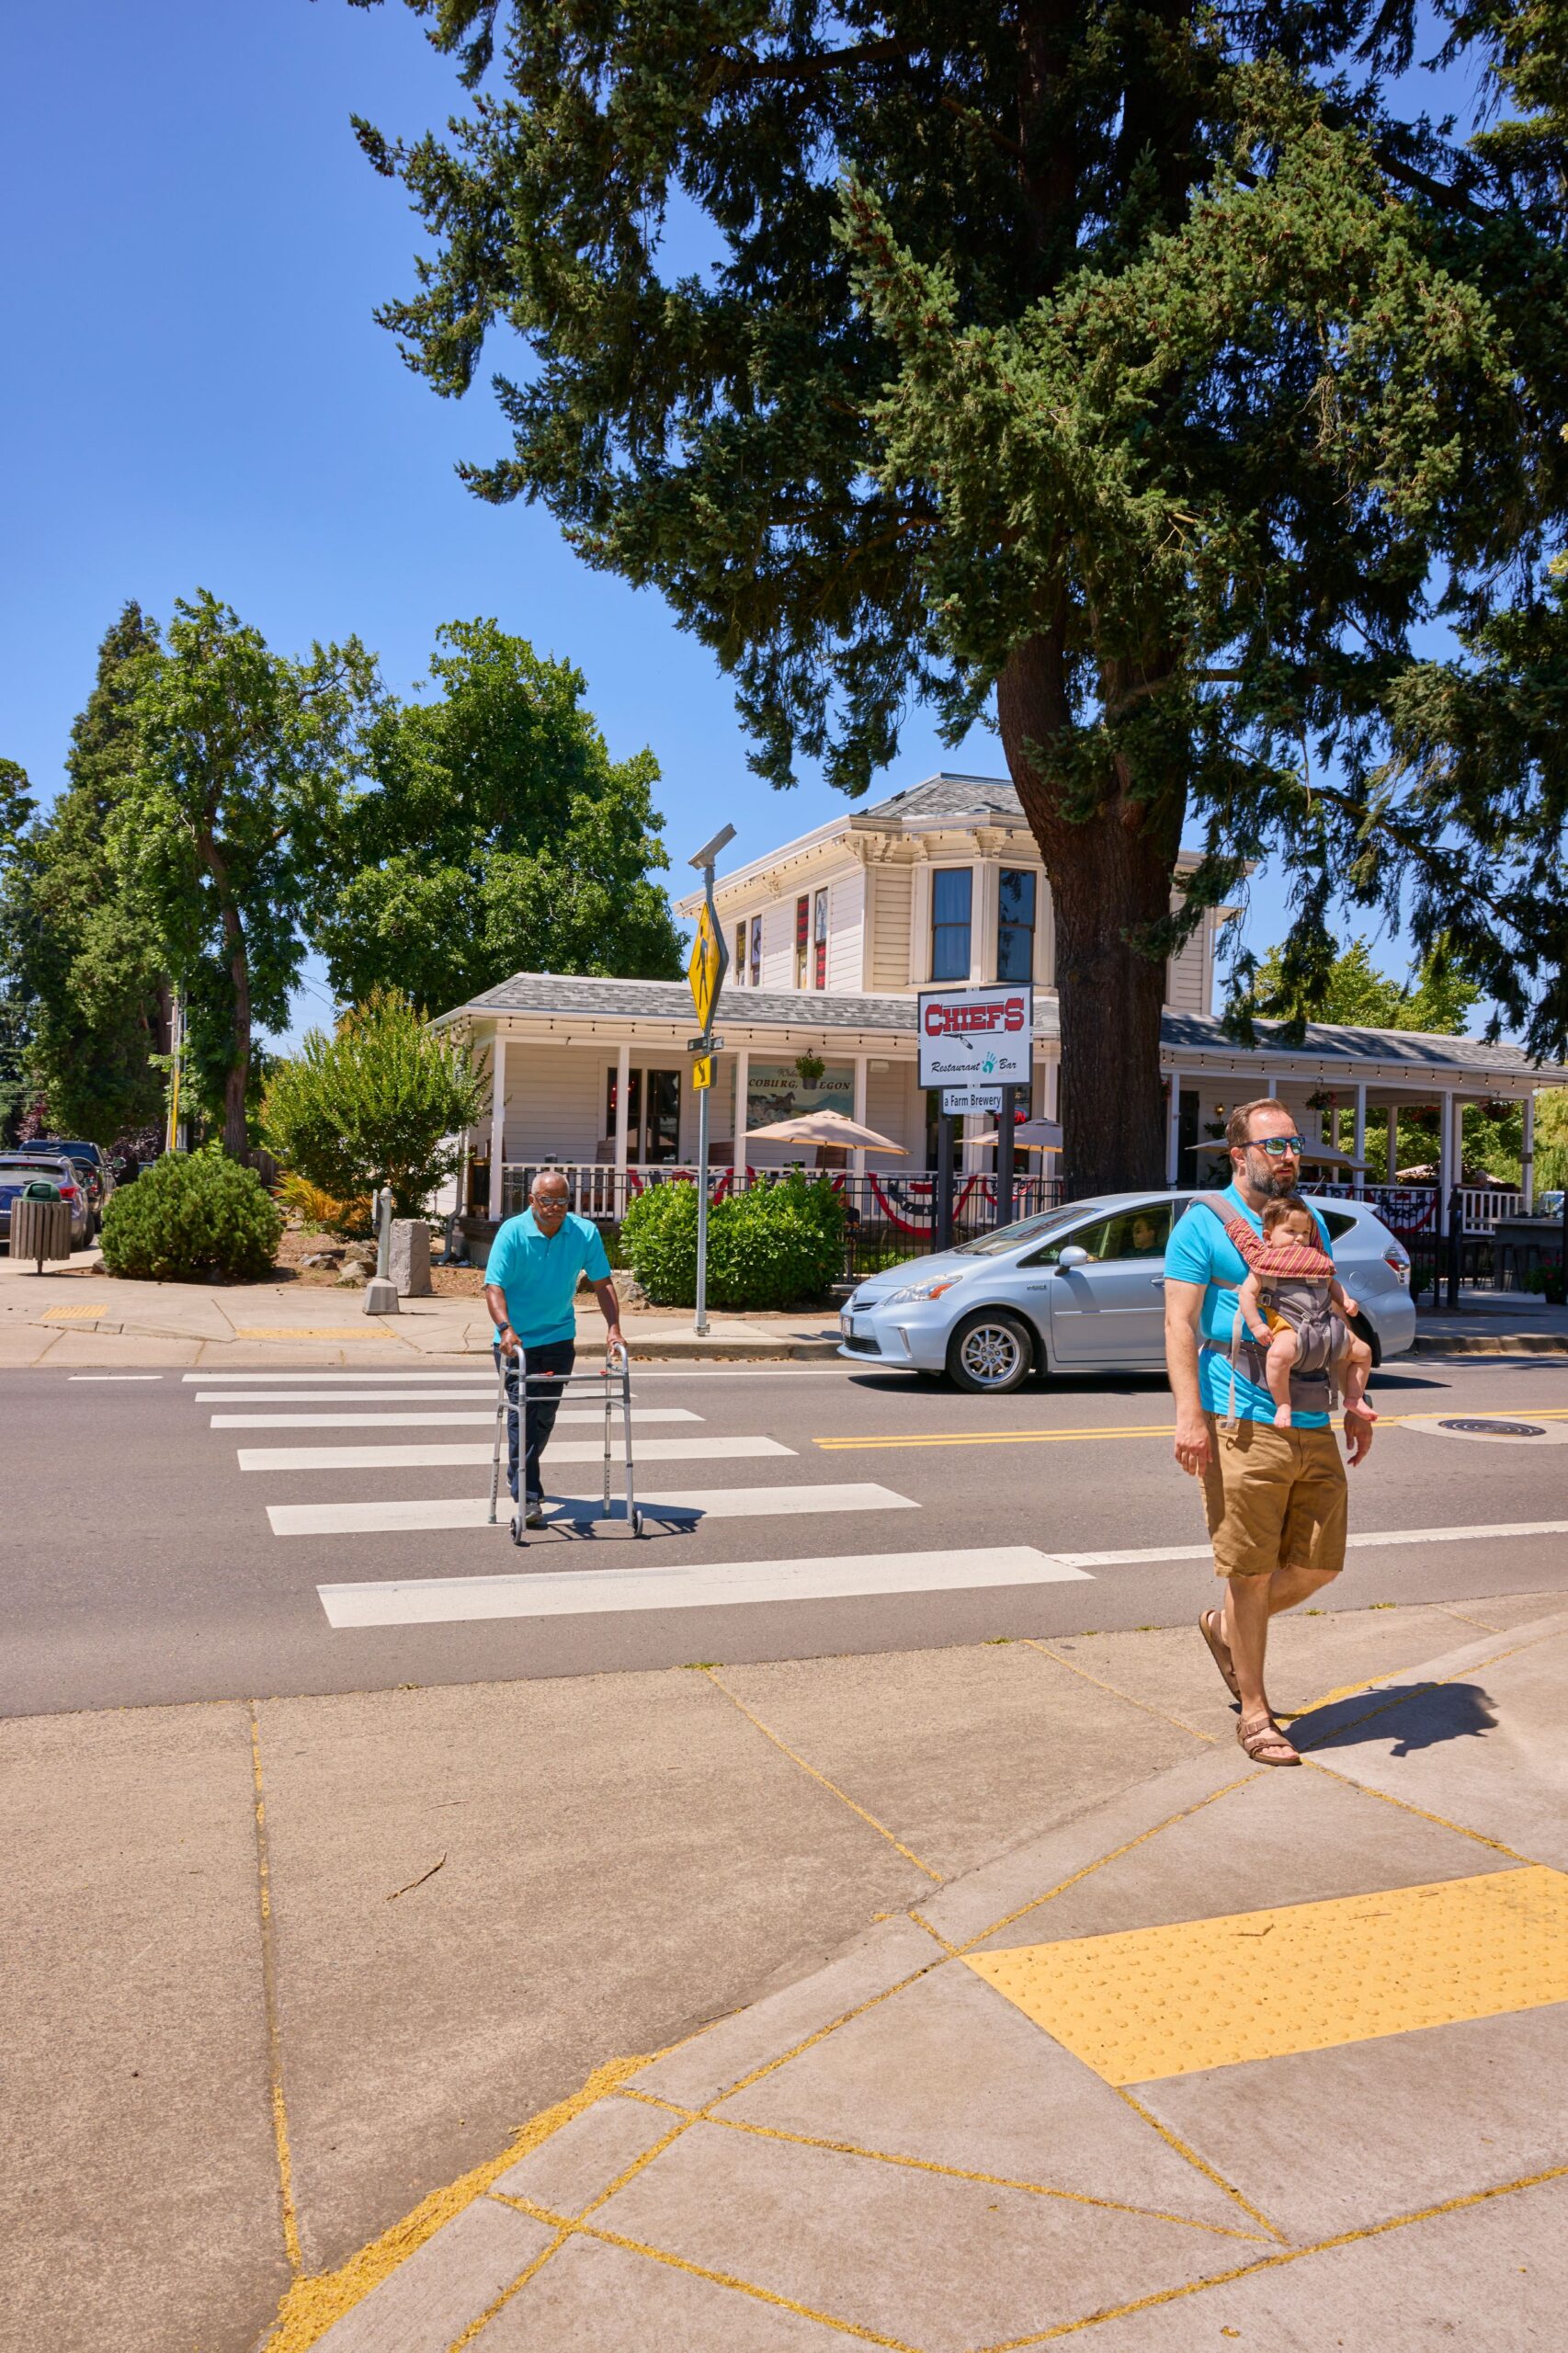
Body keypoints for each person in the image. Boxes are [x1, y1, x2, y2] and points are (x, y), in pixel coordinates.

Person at [1164, 1097, 1376, 1767]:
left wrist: (1353, 1401)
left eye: (1294, 1144)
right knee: (1249, 1571)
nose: (1289, 1156)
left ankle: (1227, 1628)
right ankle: (1256, 1714)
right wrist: (1188, 1414)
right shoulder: (1203, 1225)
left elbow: (1324, 1308)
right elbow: (1178, 1325)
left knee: (1318, 1565)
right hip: (1241, 1420)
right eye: (1274, 1145)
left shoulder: (1306, 1220)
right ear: (1240, 1155)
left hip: (1311, 1415)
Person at [483, 1171, 625, 1529]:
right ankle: (528, 1496)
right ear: (532, 1200)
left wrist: (613, 1328)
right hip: (516, 1342)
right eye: (547, 1201)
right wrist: (505, 1329)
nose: (555, 1208)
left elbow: (603, 1283)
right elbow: (494, 1287)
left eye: (562, 1201)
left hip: (559, 1336)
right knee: (522, 1413)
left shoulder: (584, 1233)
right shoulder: (512, 1232)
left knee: (543, 1417)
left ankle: (521, 1474)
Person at [1237, 1197, 1377, 1429]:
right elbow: (1247, 1295)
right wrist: (1256, 1325)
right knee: (1277, 1357)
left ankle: (1354, 1398)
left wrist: (1346, 1301)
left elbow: (1332, 1284)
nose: (1299, 1238)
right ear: (1268, 1238)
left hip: (1329, 1328)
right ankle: (1283, 1403)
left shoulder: (1317, 1261)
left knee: (1363, 1352)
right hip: (1290, 1329)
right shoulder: (1265, 1265)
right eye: (1291, 1231)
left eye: (1305, 1232)